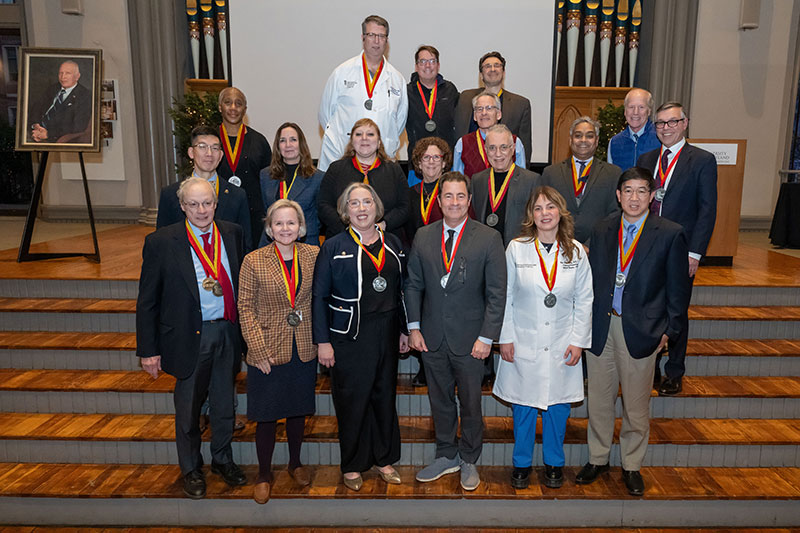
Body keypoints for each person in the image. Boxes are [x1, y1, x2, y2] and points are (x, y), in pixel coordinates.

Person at [576, 167, 689, 497]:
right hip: (601, 326)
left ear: (652, 196)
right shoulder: (603, 228)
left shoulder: (669, 233)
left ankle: (631, 464)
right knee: (599, 399)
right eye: (628, 191)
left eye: (642, 191)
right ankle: (598, 457)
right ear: (618, 195)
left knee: (636, 406)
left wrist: (670, 330)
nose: (634, 198)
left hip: (642, 329)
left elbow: (678, 290)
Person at [136, 177, 247, 499]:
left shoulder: (232, 233)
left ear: (216, 203)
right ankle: (191, 468)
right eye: (194, 204)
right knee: (188, 410)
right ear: (182, 206)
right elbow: (147, 301)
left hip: (227, 331)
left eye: (207, 203)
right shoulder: (161, 242)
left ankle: (222, 460)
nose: (202, 210)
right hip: (188, 336)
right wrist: (148, 351)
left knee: (225, 405)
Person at [405, 171, 506, 491]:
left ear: (470, 200)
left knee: (472, 404)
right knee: (440, 401)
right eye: (447, 196)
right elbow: (413, 285)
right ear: (438, 200)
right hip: (431, 338)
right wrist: (414, 328)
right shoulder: (423, 235)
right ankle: (446, 454)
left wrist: (487, 338)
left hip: (472, 340)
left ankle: (469, 459)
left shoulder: (488, 237)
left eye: (460, 196)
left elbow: (497, 293)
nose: (454, 202)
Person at [494, 186, 593, 490]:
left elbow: (585, 299)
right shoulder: (517, 248)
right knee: (523, 408)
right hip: (523, 340)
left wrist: (578, 341)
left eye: (550, 207)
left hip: (563, 341)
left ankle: (554, 463)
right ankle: (521, 464)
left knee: (558, 408)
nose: (544, 214)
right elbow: (505, 296)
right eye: (538, 208)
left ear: (561, 212)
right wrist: (505, 337)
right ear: (531, 216)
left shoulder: (576, 251)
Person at [312, 182, 409, 491]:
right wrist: (322, 341)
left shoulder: (392, 242)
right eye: (354, 203)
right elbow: (318, 297)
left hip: (387, 331)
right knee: (352, 400)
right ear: (345, 211)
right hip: (348, 336)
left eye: (367, 202)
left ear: (376, 207)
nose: (362, 208)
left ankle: (384, 458)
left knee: (384, 396)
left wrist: (405, 329)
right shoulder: (333, 246)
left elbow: (402, 290)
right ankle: (353, 464)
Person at [238, 199, 319, 504]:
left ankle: (295, 463)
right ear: (269, 229)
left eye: (291, 223)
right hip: (267, 349)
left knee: (298, 410)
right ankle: (262, 473)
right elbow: (244, 308)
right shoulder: (253, 260)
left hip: (304, 346)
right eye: (279, 223)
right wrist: (257, 350)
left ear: (301, 227)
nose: (286, 229)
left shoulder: (314, 255)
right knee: (267, 413)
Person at [637, 101, 717, 396]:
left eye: (672, 122)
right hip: (647, 247)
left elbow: (707, 210)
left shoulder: (702, 160)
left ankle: (674, 370)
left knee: (676, 310)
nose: (666, 128)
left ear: (685, 123)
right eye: (660, 123)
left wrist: (695, 253)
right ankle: (652, 367)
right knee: (649, 307)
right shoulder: (646, 159)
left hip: (681, 250)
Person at [318, 14, 408, 171]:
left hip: (381, 162)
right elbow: (326, 115)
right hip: (343, 158)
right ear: (363, 37)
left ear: (387, 40)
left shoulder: (397, 79)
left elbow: (399, 123)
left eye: (381, 36)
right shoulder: (342, 73)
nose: (376, 41)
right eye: (371, 35)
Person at [156, 125, 252, 252]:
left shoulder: (237, 195)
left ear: (221, 155)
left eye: (215, 148)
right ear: (191, 152)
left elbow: (245, 244)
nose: (209, 153)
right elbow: (161, 243)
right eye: (202, 147)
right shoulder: (170, 194)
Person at [317, 118, 409, 240]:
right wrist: (347, 228)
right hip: (342, 238)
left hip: (386, 238)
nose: (364, 138)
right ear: (352, 142)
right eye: (358, 134)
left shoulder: (394, 170)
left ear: (379, 142)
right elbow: (323, 204)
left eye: (370, 134)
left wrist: (384, 224)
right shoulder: (336, 169)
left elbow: (405, 206)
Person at [540, 116, 621, 247]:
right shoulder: (551, 173)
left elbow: (615, 214)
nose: (583, 140)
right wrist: (564, 242)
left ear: (596, 140)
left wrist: (590, 245)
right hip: (557, 246)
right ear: (570, 140)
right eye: (578, 135)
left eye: (589, 136)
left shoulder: (613, 173)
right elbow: (543, 212)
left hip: (597, 248)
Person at [216, 87, 272, 250]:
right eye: (228, 102)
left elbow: (269, 180)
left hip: (253, 214)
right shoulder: (211, 139)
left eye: (238, 103)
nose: (233, 108)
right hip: (218, 212)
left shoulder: (259, 141)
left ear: (245, 109)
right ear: (220, 107)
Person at [454, 51, 532, 165]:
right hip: (471, 172)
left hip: (506, 174)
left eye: (497, 65)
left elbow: (525, 148)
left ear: (504, 72)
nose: (492, 69)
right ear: (481, 75)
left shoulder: (520, 104)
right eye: (487, 66)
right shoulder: (465, 98)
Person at [260, 122, 323, 246]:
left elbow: (319, 218)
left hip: (305, 242)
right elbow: (265, 211)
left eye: (293, 140)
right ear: (278, 146)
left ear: (301, 144)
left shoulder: (318, 177)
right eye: (283, 140)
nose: (288, 145)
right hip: (271, 242)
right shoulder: (266, 175)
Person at [406, 45, 459, 176]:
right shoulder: (407, 92)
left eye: (432, 61)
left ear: (438, 65)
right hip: (417, 164)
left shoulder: (450, 90)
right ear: (416, 66)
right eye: (423, 62)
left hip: (446, 163)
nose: (428, 66)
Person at [452, 91, 526, 177]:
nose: (484, 113)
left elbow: (522, 178)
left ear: (498, 114)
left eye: (489, 108)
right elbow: (457, 181)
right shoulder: (462, 144)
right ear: (475, 116)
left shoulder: (515, 142)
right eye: (479, 109)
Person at [29, 59, 91, 143]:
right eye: (60, 73)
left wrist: (48, 134)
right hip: (35, 131)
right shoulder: (53, 88)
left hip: (56, 138)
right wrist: (36, 125)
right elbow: (36, 108)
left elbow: (78, 126)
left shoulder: (85, 95)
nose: (63, 77)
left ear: (77, 76)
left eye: (68, 73)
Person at [607, 88, 660, 171]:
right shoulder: (615, 142)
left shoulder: (660, 138)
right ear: (625, 111)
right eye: (631, 107)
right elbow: (612, 175)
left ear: (649, 111)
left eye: (641, 107)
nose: (635, 112)